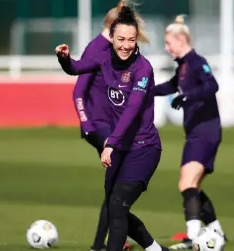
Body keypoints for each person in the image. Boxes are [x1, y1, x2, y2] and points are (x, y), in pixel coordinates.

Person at [56, 6, 169, 251]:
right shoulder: (104, 57)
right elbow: (76, 69)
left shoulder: (143, 69)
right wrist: (64, 58)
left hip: (143, 149)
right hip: (120, 148)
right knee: (115, 206)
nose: (126, 45)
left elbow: (132, 111)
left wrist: (111, 143)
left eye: (131, 39)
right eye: (121, 39)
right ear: (112, 37)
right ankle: (155, 249)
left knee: (117, 204)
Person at [152, 15, 226, 250]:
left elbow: (212, 85)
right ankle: (216, 231)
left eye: (168, 43)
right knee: (192, 185)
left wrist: (188, 96)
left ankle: (193, 237)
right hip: (195, 132)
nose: (166, 48)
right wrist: (143, 90)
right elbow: (170, 86)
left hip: (206, 130)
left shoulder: (196, 62)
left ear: (180, 38)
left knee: (187, 183)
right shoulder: (183, 66)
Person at [72, 1, 139, 250]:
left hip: (111, 128)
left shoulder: (116, 50)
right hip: (99, 127)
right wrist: (87, 125)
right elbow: (78, 91)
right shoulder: (97, 50)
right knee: (117, 190)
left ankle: (109, 239)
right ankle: (104, 243)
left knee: (116, 188)